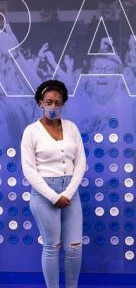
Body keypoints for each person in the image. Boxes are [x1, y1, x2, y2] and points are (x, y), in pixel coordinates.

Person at [20, 80, 86, 288]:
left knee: (74, 247)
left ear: (63, 104)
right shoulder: (31, 131)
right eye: (49, 102)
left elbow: (81, 162)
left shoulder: (72, 127)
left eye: (58, 103)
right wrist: (54, 197)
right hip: (44, 195)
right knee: (52, 246)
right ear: (41, 102)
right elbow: (29, 170)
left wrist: (68, 192)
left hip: (70, 193)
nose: (53, 107)